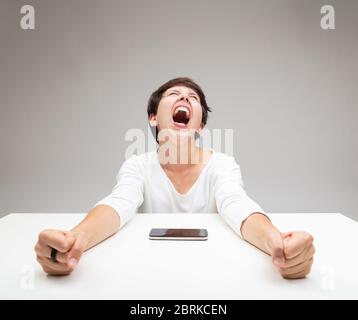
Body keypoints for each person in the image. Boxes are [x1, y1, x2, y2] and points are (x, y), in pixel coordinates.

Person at [34, 77, 315, 279]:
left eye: (193, 98)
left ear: (200, 125)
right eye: (175, 94)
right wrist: (75, 239)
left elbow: (236, 204)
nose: (184, 99)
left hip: (212, 274)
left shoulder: (222, 164)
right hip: (148, 274)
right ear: (153, 118)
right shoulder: (138, 165)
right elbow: (118, 203)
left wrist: (276, 242)